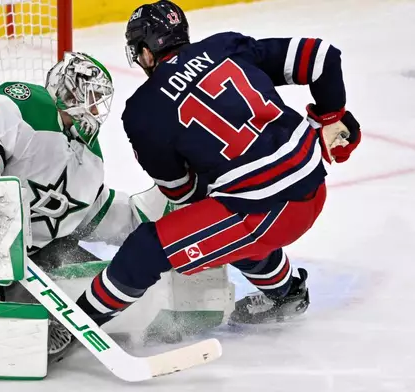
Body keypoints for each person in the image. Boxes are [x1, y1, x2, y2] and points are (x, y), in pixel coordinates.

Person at [73, 0, 361, 329]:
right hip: (313, 182)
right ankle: (287, 293)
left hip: (266, 212)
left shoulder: (142, 112)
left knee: (148, 246)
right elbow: (321, 57)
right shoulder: (224, 46)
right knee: (225, 228)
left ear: (147, 51)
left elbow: (183, 195)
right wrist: (331, 115)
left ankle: (75, 325)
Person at [0, 52, 139, 358]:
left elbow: (93, 213)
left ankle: (25, 317)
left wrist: (146, 221)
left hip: (31, 259)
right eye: (92, 96)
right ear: (70, 90)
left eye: (101, 99)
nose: (97, 108)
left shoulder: (89, 155)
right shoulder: (20, 104)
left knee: (108, 297)